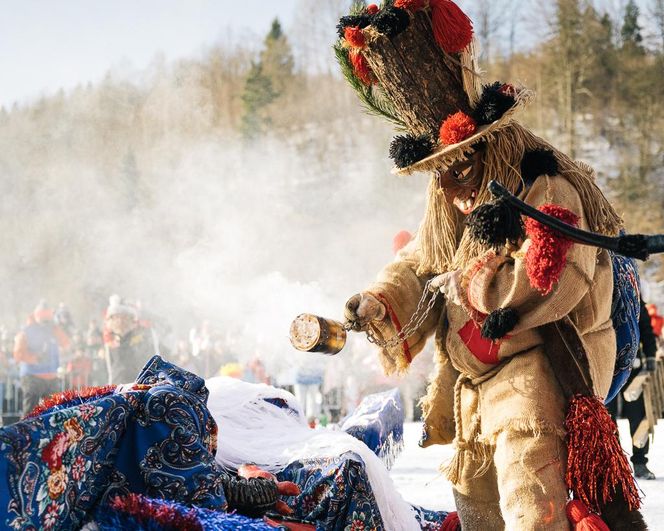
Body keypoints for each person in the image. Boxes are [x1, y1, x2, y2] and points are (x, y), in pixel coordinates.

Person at [336, 3, 640, 529]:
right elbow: (421, 261)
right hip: (471, 388)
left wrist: (474, 283)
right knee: (477, 512)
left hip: (534, 381)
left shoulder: (547, 189)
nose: (454, 191)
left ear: (491, 149)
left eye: (462, 169)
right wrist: (379, 302)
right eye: (442, 178)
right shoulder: (455, 209)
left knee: (532, 507)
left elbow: (556, 274)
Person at [607, 298, 658, 480]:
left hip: (632, 367)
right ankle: (614, 466)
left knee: (638, 416)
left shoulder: (633, 295)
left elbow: (645, 325)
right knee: (607, 418)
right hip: (606, 368)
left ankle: (640, 462)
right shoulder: (600, 291)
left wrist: (651, 355)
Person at [13, 300, 70, 413]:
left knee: (53, 412)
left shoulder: (53, 329)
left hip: (51, 376)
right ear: (36, 316)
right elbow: (18, 354)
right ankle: (25, 430)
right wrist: (36, 358)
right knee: (30, 413)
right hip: (32, 377)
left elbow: (66, 343)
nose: (46, 322)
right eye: (43, 318)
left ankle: (52, 430)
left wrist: (58, 327)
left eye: (48, 318)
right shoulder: (26, 331)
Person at [103, 294, 164, 384]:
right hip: (118, 386)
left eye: (122, 317)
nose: (119, 321)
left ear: (129, 317)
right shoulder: (110, 340)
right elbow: (111, 371)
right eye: (115, 317)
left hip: (142, 384)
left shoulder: (144, 334)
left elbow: (154, 359)